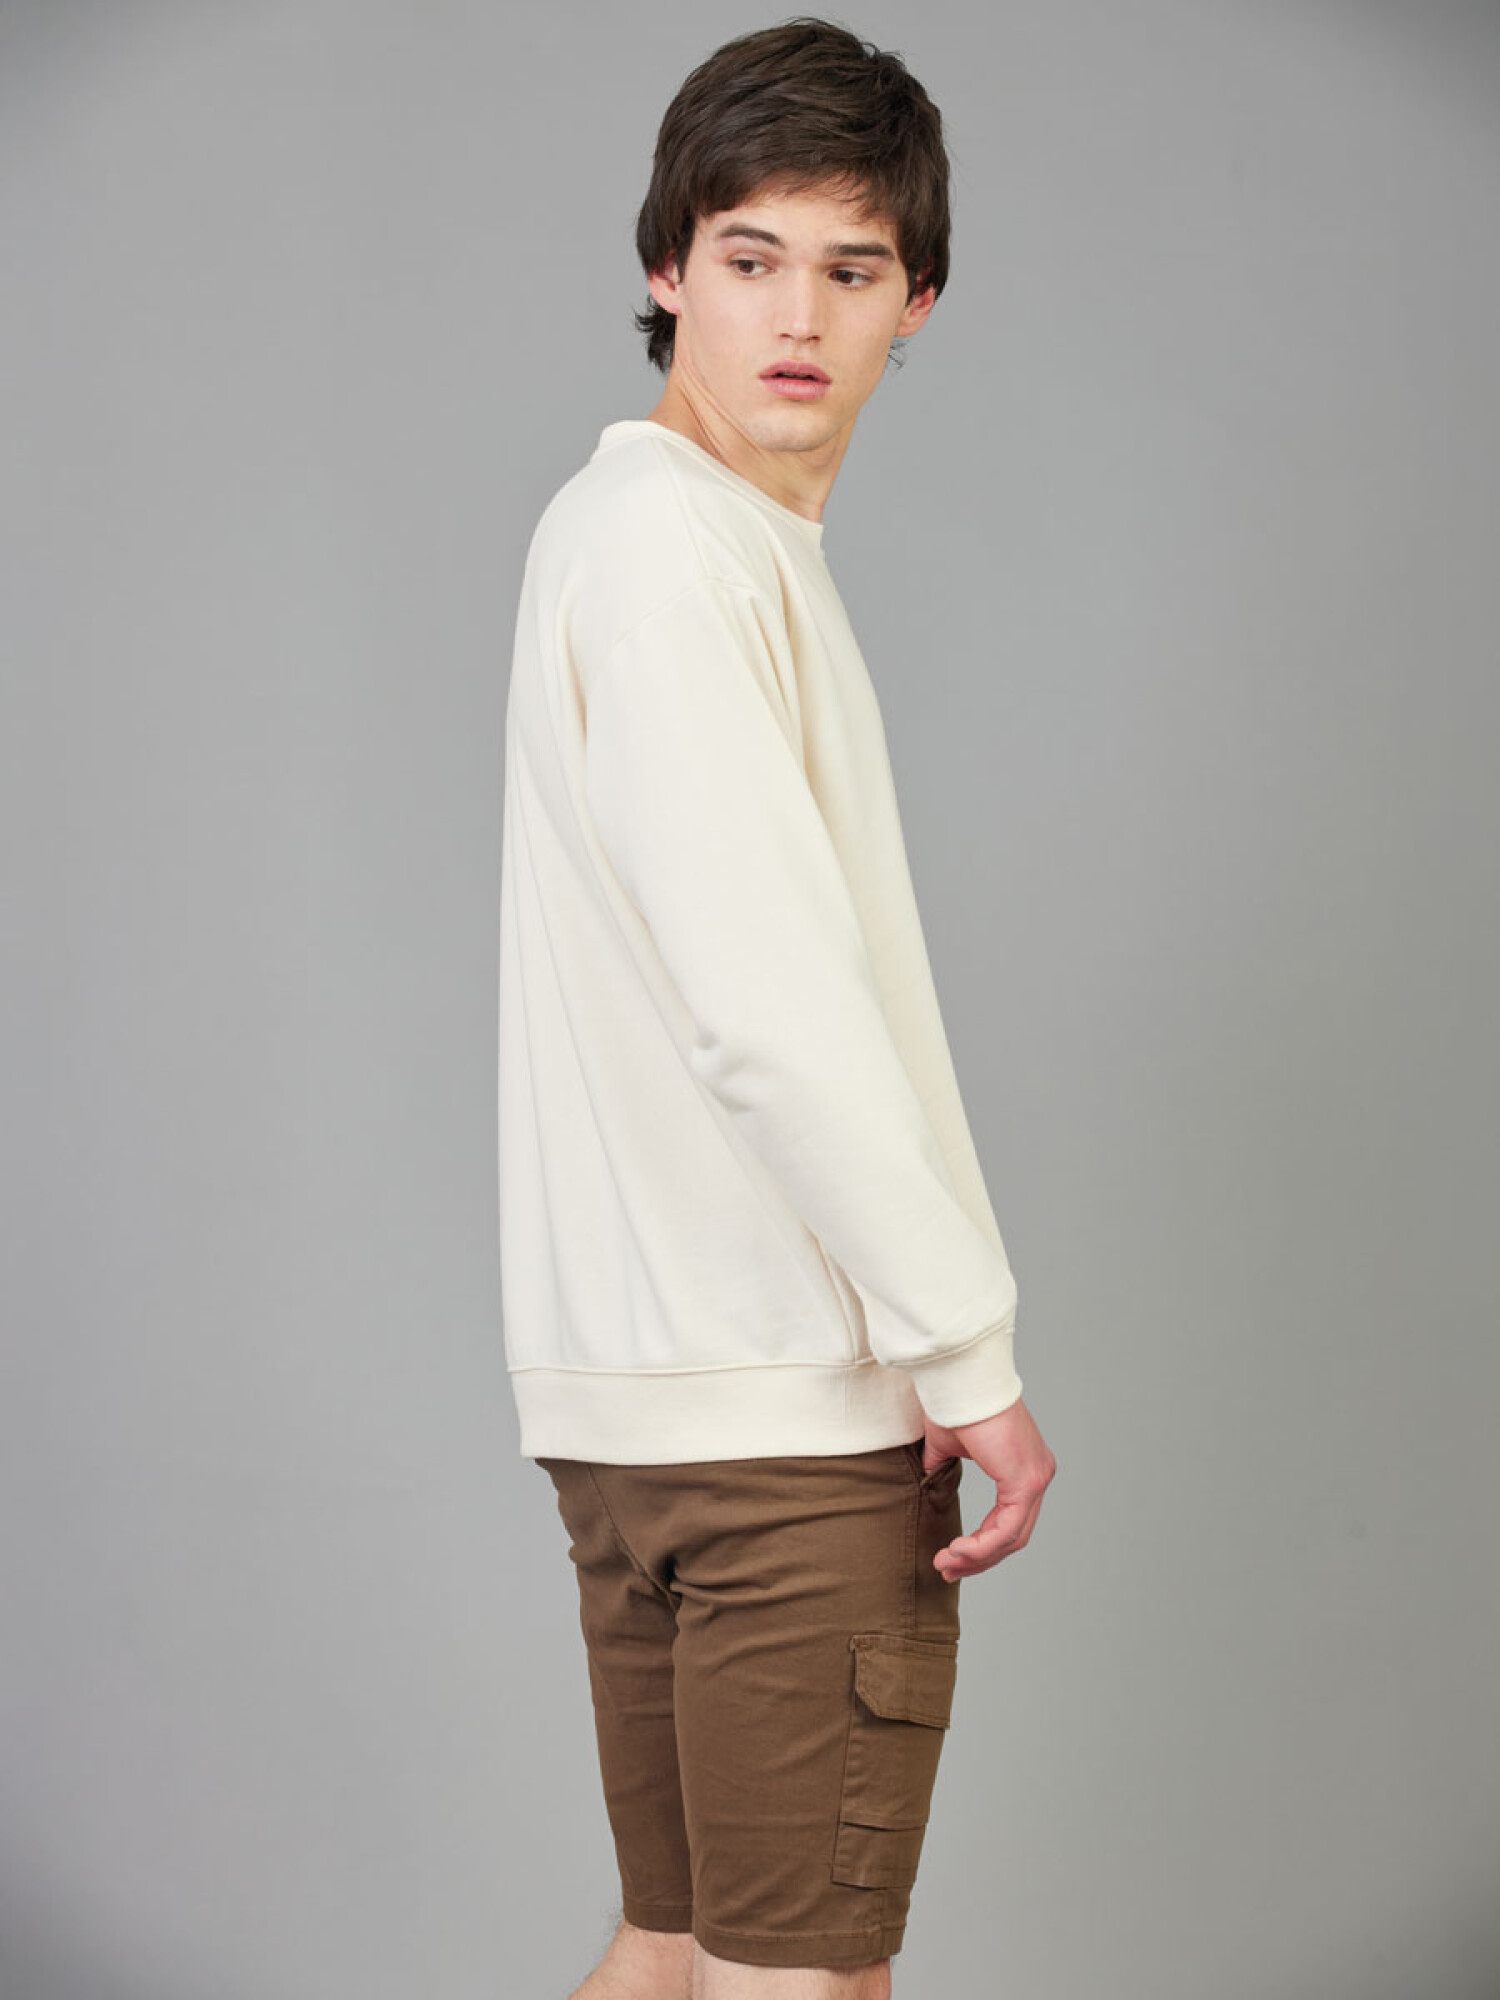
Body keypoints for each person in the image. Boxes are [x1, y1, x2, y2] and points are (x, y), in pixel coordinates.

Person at [496, 18, 1056, 1998]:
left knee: (672, 1956)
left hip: (644, 1412)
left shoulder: (660, 539)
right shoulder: (676, 552)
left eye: (851, 266)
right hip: (779, 1427)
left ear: (922, 300)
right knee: (799, 1981)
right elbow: (766, 1008)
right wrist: (963, 1348)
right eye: (749, 258)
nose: (798, 317)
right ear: (667, 266)